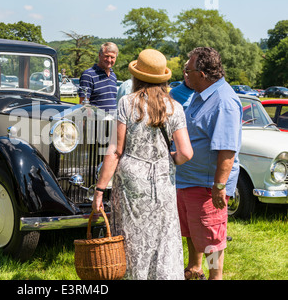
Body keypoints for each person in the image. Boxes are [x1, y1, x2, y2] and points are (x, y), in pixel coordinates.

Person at [93, 49, 193, 280]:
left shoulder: (126, 103)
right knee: (164, 239)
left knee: (133, 239)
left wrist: (99, 190)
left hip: (131, 184)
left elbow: (116, 150)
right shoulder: (175, 107)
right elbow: (186, 152)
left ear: (137, 76)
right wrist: (170, 161)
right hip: (163, 181)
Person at [176, 47, 242, 280]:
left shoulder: (223, 101)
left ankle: (215, 276)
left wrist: (220, 186)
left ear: (202, 74)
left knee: (212, 240)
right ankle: (194, 268)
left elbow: (227, 149)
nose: (185, 73)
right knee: (193, 232)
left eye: (188, 69)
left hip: (206, 186)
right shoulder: (199, 93)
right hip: (187, 181)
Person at [78, 42, 118, 112]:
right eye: (106, 56)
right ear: (99, 55)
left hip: (112, 121)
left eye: (112, 57)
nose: (109, 60)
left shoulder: (113, 76)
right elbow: (83, 104)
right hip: (96, 121)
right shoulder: (88, 75)